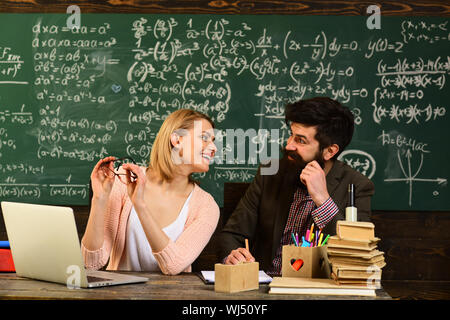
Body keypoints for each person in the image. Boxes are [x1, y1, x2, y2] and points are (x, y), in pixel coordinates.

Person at [217, 97, 375, 276]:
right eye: (291, 135)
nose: (288, 145)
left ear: (330, 151)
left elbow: (357, 253)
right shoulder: (270, 173)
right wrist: (232, 256)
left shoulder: (358, 186)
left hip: (320, 290)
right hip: (265, 285)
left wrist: (323, 200)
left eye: (300, 141)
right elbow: (232, 234)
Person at [81, 109, 219, 275]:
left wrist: (140, 204)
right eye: (204, 138)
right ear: (176, 140)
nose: (213, 148)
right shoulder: (124, 180)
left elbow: (173, 265)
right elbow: (91, 262)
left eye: (213, 140)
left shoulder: (206, 206)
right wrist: (99, 199)